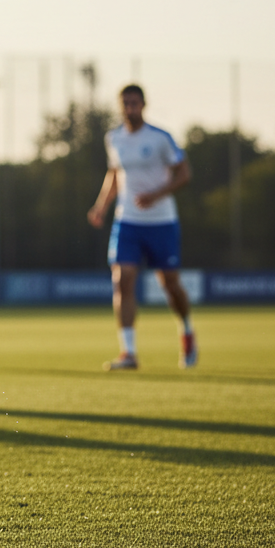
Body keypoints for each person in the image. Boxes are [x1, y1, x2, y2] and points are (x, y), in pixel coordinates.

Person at [87, 84, 196, 370]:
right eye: (125, 103)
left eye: (134, 103)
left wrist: (156, 195)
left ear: (143, 105)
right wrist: (101, 206)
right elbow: (114, 175)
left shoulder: (160, 138)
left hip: (161, 222)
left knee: (170, 284)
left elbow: (184, 173)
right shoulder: (113, 138)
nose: (130, 108)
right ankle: (129, 353)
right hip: (127, 221)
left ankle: (186, 330)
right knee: (122, 280)